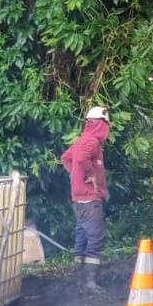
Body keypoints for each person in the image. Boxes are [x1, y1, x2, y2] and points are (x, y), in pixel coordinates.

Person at [61, 105, 111, 292]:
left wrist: (76, 176)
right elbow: (81, 159)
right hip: (90, 200)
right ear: (101, 124)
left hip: (79, 199)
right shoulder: (92, 142)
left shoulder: (82, 139)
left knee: (82, 236)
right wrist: (89, 174)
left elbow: (66, 158)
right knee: (95, 238)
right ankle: (89, 282)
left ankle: (79, 281)